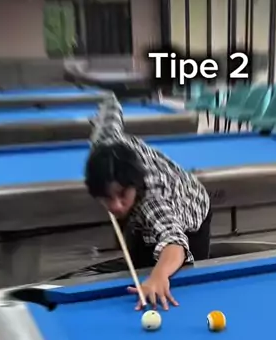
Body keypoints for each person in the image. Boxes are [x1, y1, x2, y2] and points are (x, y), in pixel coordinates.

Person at [85, 93, 211, 310]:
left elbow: (174, 240)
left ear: (134, 185)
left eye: (122, 195)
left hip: (191, 208)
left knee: (181, 284)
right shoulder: (103, 143)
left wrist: (159, 274)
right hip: (147, 214)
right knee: (140, 261)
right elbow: (111, 112)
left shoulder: (152, 198)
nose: (116, 206)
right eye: (107, 197)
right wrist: (109, 98)